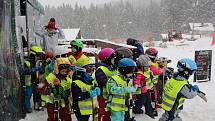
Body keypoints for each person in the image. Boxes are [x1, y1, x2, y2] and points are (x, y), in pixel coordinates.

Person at [95, 48, 116, 121]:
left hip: (109, 94)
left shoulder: (111, 68)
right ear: (107, 59)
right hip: (103, 96)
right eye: (113, 58)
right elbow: (102, 81)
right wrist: (113, 81)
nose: (114, 60)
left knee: (109, 112)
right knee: (103, 111)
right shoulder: (100, 69)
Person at [145, 47, 165, 116]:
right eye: (155, 56)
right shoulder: (149, 65)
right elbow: (157, 71)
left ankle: (156, 104)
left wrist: (160, 65)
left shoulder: (153, 62)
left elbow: (157, 66)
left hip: (154, 83)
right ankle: (153, 109)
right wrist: (162, 69)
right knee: (152, 96)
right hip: (150, 84)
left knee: (156, 95)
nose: (156, 57)